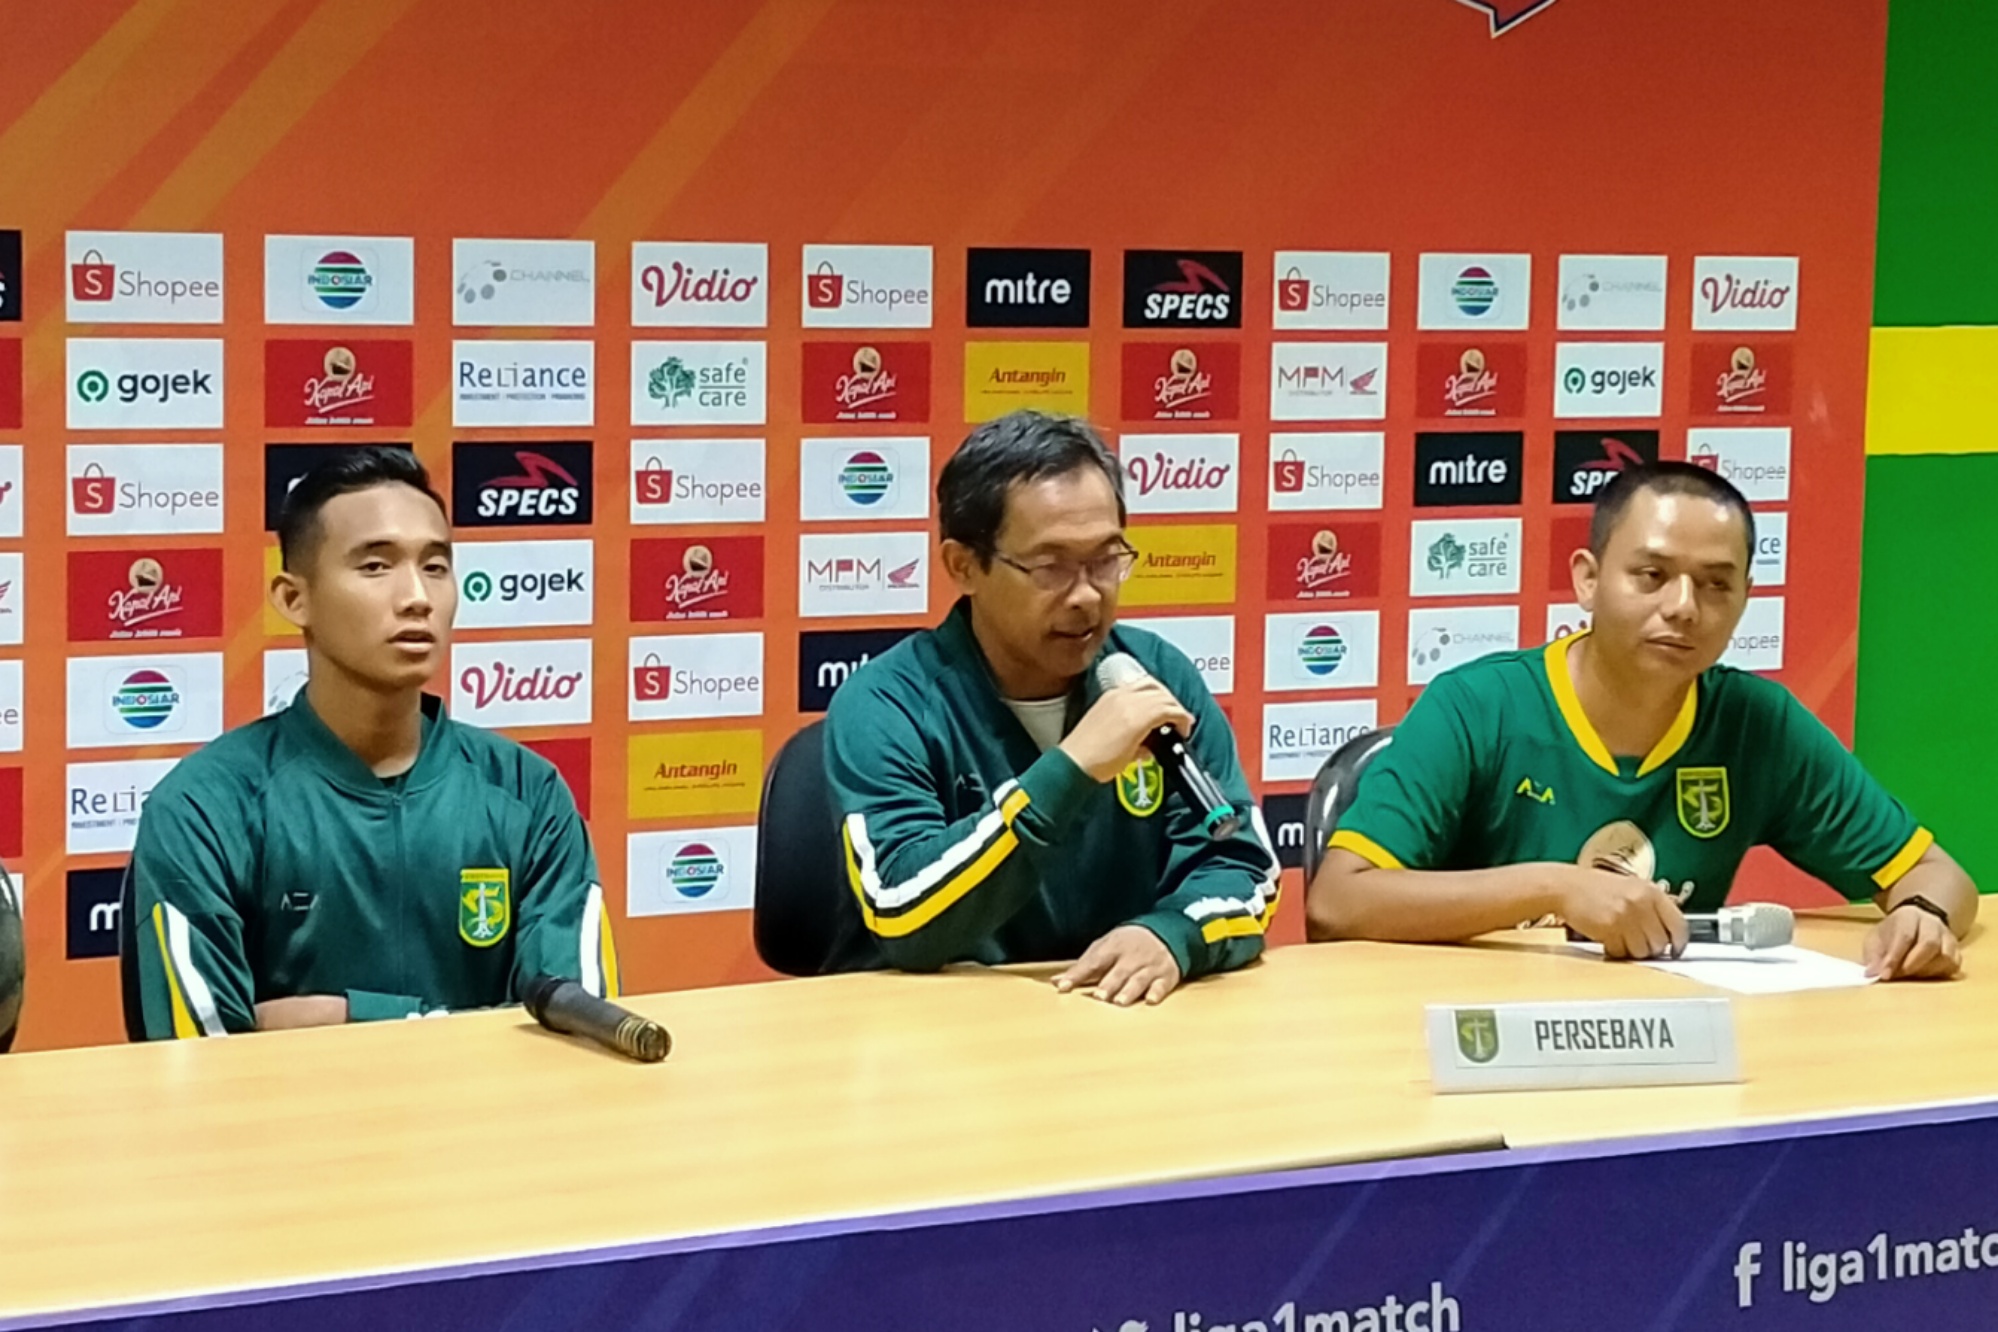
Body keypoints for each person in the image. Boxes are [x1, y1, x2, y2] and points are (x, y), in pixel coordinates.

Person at [1306, 461, 1976, 980]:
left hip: (1666, 1042)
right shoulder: (1477, 706)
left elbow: (1939, 874)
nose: (1684, 607)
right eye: (1652, 575)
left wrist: (1921, 916)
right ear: (1589, 580)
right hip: (1473, 1044)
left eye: (1717, 584)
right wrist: (1557, 888)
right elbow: (1338, 902)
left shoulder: (1756, 721)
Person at [131, 448, 617, 1038]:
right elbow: (198, 1058)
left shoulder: (527, 793)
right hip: (286, 1133)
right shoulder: (205, 807)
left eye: (436, 567)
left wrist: (349, 1016)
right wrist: (465, 1027)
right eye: (375, 566)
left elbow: (581, 1032)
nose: (417, 597)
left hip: (491, 1128)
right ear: (293, 598)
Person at [824, 411, 1279, 1005]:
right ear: (964, 566)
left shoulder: (1156, 677)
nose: (1088, 594)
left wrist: (1174, 936)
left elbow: (1242, 863)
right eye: (1051, 567)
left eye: (1105, 560)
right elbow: (905, 916)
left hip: (1117, 1027)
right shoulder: (887, 702)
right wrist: (1073, 767)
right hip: (938, 1041)